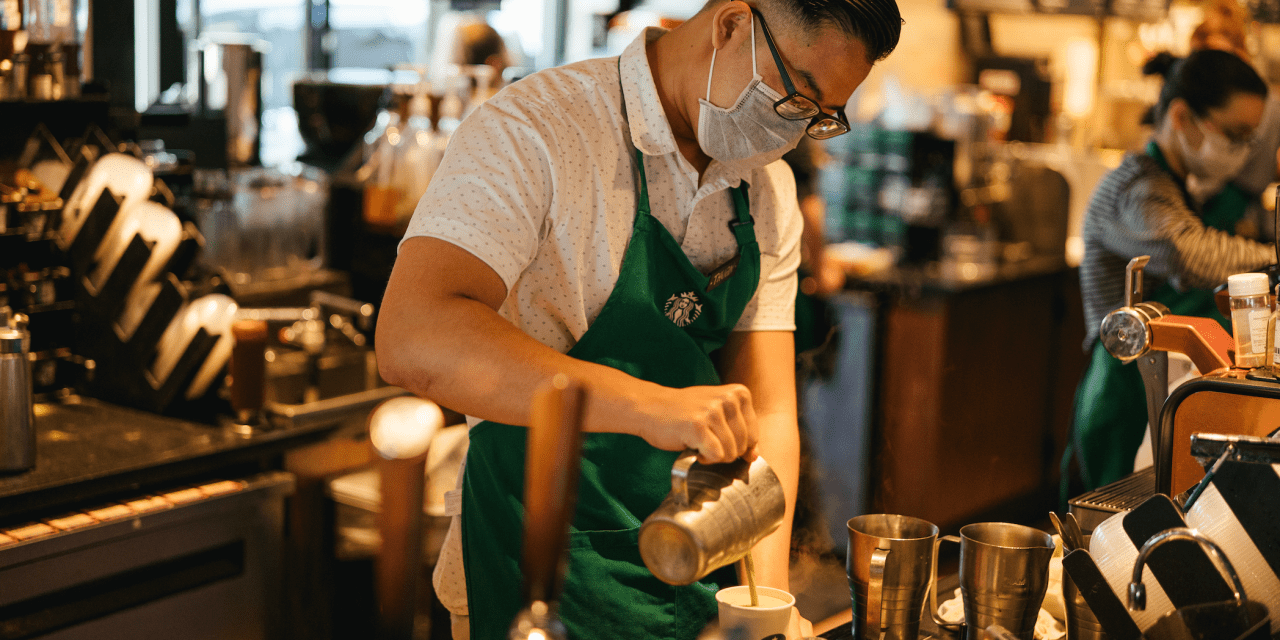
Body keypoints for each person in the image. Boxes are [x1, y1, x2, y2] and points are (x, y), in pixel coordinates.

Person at [375, 0, 902, 637]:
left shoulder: (766, 192)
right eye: (796, 96)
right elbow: (413, 335)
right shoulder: (537, 128)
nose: (792, 133)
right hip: (532, 571)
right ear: (732, 25)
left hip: (689, 568)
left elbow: (767, 413)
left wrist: (766, 609)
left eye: (820, 118)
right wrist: (650, 407)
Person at [1068, 49, 1275, 493]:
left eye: (1249, 140)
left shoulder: (1177, 188)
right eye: (1235, 134)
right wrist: (1269, 260)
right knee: (1103, 533)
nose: (1239, 152)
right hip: (1125, 390)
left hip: (1160, 384)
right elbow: (1190, 254)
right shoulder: (1137, 190)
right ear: (1182, 116)